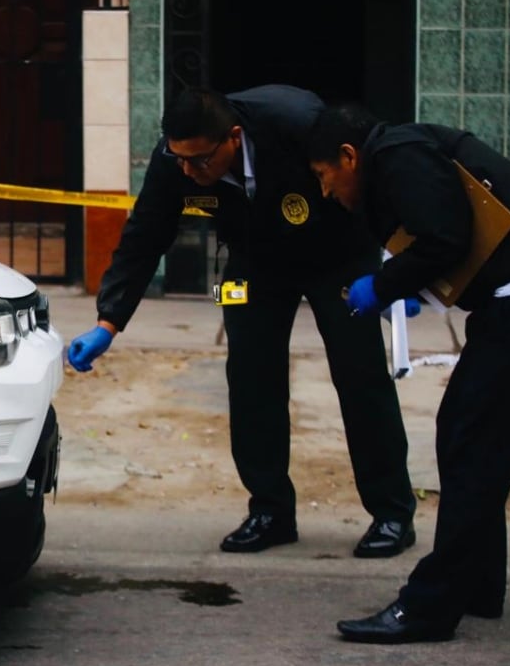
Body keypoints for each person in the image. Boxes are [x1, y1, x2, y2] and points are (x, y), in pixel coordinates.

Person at [68, 85, 418, 557]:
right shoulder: (176, 159)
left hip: (336, 254)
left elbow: (369, 176)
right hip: (254, 262)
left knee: (361, 377)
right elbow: (145, 234)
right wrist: (108, 321)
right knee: (251, 378)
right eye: (182, 162)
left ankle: (392, 513)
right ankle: (270, 510)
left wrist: (397, 273)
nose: (190, 172)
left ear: (234, 137)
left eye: (200, 161)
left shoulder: (296, 124)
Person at [309, 103, 510, 643]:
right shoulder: (404, 154)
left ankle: (430, 606)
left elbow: (445, 236)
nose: (326, 191)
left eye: (324, 175)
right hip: (501, 308)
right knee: (472, 442)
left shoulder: (397, 153)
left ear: (349, 157)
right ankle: (479, 585)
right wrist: (416, 286)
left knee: (471, 443)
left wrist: (385, 283)